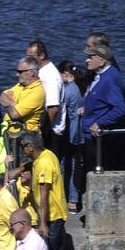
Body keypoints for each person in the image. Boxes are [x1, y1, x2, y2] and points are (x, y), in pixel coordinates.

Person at [18, 131, 68, 250]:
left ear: (30, 147)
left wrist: (43, 223)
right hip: (53, 214)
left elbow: (44, 196)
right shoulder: (47, 155)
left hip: (52, 216)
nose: (22, 151)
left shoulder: (44, 163)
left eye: (23, 147)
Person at [82, 43, 125, 171]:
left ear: (101, 60)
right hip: (91, 134)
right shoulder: (101, 76)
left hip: (98, 138)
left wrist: (100, 123)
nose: (86, 60)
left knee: (95, 171)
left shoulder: (109, 79)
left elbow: (120, 108)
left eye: (91, 57)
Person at [0, 58, 45, 167]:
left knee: (24, 172)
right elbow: (1, 96)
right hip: (13, 137)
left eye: (20, 72)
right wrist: (13, 104)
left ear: (31, 73)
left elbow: (15, 115)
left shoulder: (38, 92)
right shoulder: (20, 85)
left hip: (28, 139)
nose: (16, 74)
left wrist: (8, 103)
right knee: (10, 168)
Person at [54, 60, 88, 211]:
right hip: (79, 134)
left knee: (63, 165)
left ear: (65, 74)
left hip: (69, 134)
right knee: (74, 165)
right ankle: (73, 200)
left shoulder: (68, 90)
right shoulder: (81, 88)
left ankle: (64, 198)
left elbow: (59, 109)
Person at [26, 40, 62, 144]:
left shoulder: (50, 76)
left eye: (31, 57)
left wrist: (43, 131)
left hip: (49, 132)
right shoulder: (40, 71)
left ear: (41, 55)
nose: (28, 60)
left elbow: (53, 109)